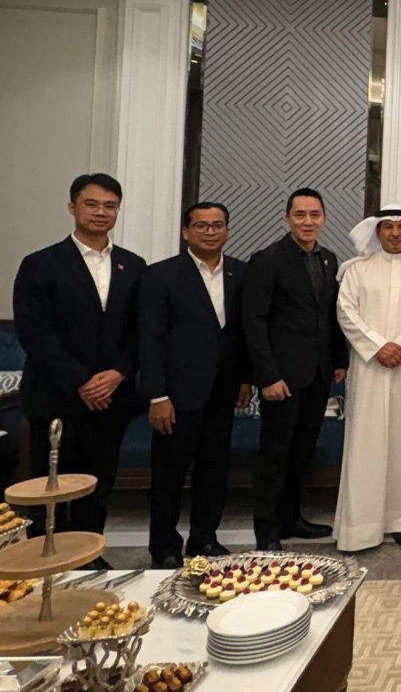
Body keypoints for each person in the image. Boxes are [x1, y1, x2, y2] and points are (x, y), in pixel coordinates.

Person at [13, 173, 146, 568]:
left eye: (110, 206)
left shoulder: (133, 265)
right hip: (56, 395)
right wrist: (81, 381)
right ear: (72, 207)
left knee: (98, 482)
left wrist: (119, 373)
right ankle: (47, 559)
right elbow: (34, 332)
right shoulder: (40, 264)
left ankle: (89, 555)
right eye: (91, 204)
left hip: (112, 396)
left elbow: (142, 330)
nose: (100, 212)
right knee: (51, 484)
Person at [138, 201, 250, 568]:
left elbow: (242, 333)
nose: (210, 231)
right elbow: (150, 339)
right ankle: (164, 546)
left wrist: (245, 378)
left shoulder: (240, 273)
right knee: (169, 473)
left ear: (227, 230)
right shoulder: (161, 275)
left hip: (224, 390)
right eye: (201, 225)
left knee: (214, 469)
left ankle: (204, 538)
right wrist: (157, 394)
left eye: (218, 225)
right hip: (176, 393)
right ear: (186, 231)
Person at [242, 188, 348, 550]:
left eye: (314, 214)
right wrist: (267, 376)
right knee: (275, 455)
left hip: (317, 374)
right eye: (300, 214)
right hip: (282, 377)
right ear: (286, 218)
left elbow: (329, 315)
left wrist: (339, 360)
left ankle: (291, 519)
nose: (307, 221)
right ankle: (267, 532)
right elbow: (254, 321)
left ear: (324, 218)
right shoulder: (267, 260)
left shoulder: (329, 259)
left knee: (302, 451)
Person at [333, 205, 401, 552]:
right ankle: (362, 526)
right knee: (366, 443)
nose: (395, 233)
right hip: (369, 368)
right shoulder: (356, 270)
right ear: (377, 231)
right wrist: (378, 347)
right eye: (388, 227)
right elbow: (345, 312)